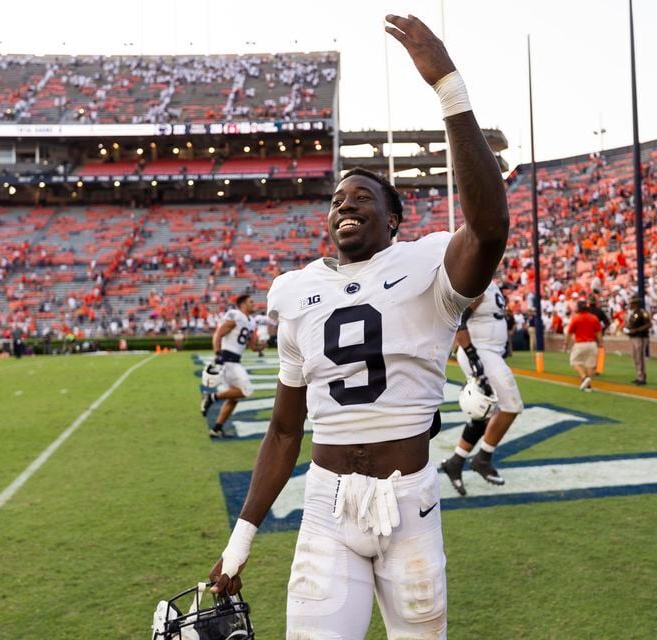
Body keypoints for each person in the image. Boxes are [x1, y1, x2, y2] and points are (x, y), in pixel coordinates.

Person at [207, 16, 509, 639]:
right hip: (326, 504)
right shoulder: (293, 292)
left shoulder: (426, 261)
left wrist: (448, 88)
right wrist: (241, 539)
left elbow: (488, 230)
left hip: (411, 502)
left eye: (362, 197)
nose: (345, 204)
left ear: (396, 220)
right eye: (337, 200)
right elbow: (286, 429)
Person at [440, 282, 524, 493]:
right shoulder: (478, 282)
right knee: (511, 406)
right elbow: (459, 322)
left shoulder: (491, 284)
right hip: (481, 352)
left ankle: (456, 462)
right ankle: (483, 458)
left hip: (489, 351)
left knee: (486, 412)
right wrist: (472, 356)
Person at [200, 294, 257, 439]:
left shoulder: (251, 322)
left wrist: (261, 345)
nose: (254, 304)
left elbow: (252, 346)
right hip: (227, 359)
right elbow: (219, 333)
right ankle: (211, 397)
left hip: (235, 360)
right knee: (246, 390)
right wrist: (218, 353)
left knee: (234, 398)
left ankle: (216, 429)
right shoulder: (236, 315)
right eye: (251, 302)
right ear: (242, 304)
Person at [563, 300, 602, 391]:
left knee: (574, 361)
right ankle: (588, 385)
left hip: (580, 343)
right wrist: (601, 343)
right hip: (592, 344)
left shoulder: (576, 318)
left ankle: (584, 377)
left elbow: (569, 333)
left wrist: (565, 344)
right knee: (590, 365)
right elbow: (598, 332)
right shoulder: (594, 318)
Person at [624, 296, 652, 385]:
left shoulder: (643, 313)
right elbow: (631, 324)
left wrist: (637, 330)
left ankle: (642, 377)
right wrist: (628, 328)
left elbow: (648, 324)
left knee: (640, 357)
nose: (630, 305)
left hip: (641, 337)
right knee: (635, 357)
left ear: (635, 304)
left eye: (632, 303)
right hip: (634, 337)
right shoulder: (633, 313)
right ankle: (638, 375)